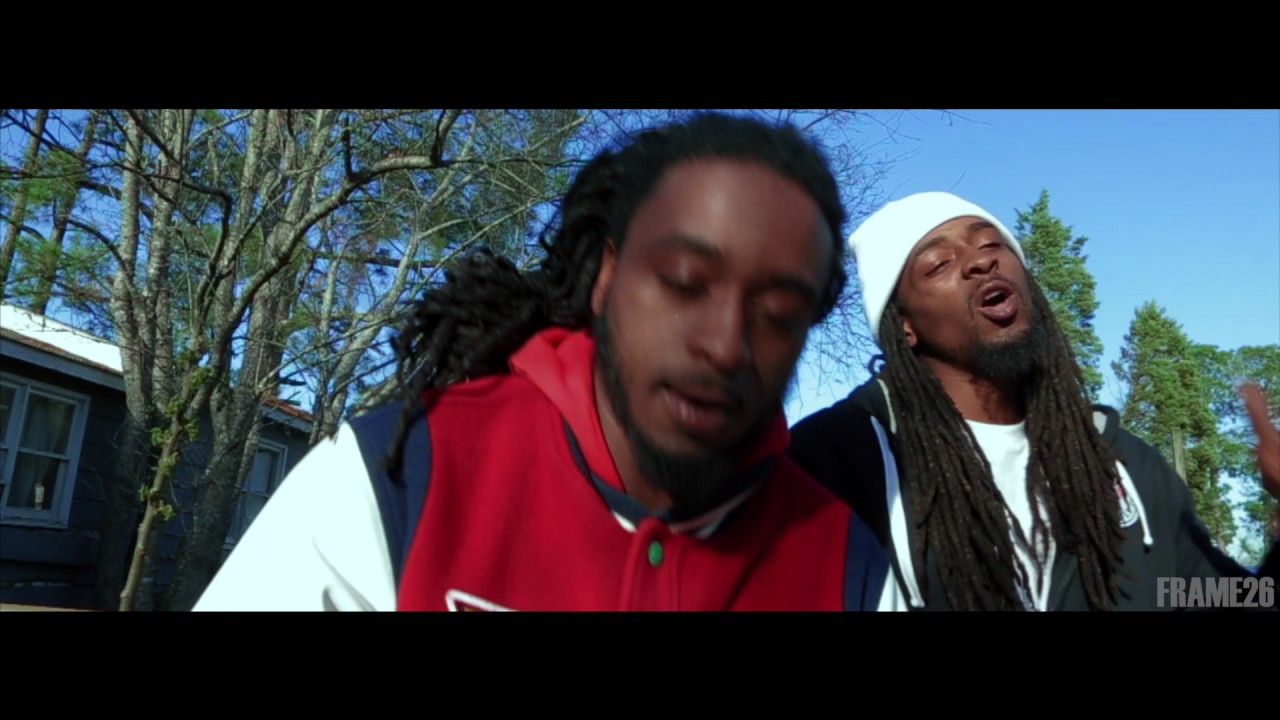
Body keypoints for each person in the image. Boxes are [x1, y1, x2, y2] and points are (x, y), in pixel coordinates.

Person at [193, 112, 905, 612]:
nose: (724, 345)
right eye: (685, 282)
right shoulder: (401, 473)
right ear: (607, 276)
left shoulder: (848, 566)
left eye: (778, 313)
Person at [788, 190, 1279, 611]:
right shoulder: (832, 466)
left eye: (992, 244)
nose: (981, 261)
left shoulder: (1128, 467)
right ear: (905, 326)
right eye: (939, 263)